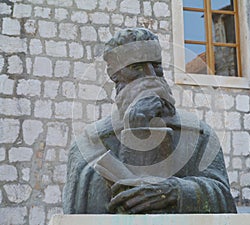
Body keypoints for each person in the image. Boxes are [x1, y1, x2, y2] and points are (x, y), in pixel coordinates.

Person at [63, 28, 237, 214]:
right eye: (137, 68)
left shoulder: (200, 135)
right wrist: (135, 132)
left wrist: (173, 192)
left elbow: (223, 199)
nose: (151, 75)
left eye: (156, 66)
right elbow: (76, 206)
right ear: (116, 77)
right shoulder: (90, 142)